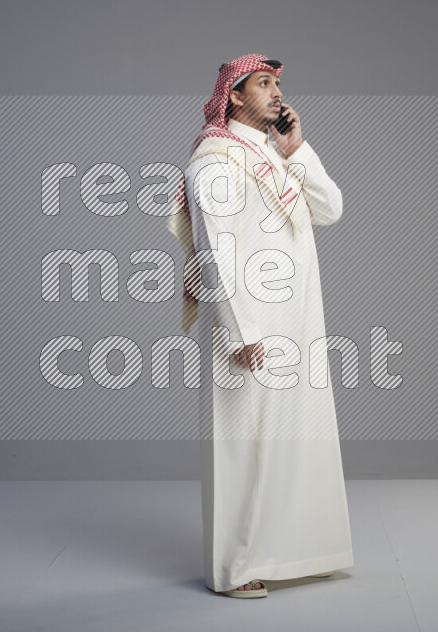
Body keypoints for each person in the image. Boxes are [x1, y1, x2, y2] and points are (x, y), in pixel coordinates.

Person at [167, 53, 354, 598]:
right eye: (263, 84)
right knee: (243, 447)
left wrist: (298, 150)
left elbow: (331, 208)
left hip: (295, 321)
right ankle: (236, 569)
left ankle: (296, 553)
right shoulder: (215, 162)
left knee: (295, 440)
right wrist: (240, 331)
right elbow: (214, 253)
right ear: (233, 96)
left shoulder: (271, 156)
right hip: (249, 328)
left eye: (278, 84)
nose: (276, 93)